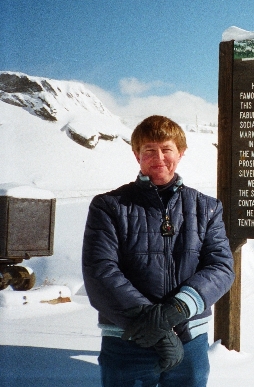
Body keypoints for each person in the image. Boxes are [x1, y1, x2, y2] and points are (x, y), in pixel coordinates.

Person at [82, 115, 234, 386]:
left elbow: (220, 267)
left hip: (190, 340)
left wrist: (175, 310)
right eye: (149, 150)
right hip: (127, 339)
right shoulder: (109, 206)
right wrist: (159, 330)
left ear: (181, 153)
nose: (159, 157)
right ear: (136, 154)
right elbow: (100, 271)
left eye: (166, 149)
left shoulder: (206, 207)